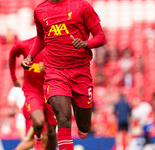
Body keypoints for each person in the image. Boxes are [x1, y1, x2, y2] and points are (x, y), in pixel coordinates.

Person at [21, 0, 106, 149]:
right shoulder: (40, 10)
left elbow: (100, 37)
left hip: (80, 71)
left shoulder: (82, 6)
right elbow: (41, 38)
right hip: (54, 71)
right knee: (63, 118)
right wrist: (30, 57)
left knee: (84, 127)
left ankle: (76, 106)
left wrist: (86, 44)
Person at [9, 37, 57, 150]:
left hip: (52, 93)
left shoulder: (57, 45)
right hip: (33, 93)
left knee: (51, 135)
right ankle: (38, 141)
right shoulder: (26, 44)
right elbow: (12, 53)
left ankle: (38, 140)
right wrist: (13, 77)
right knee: (39, 125)